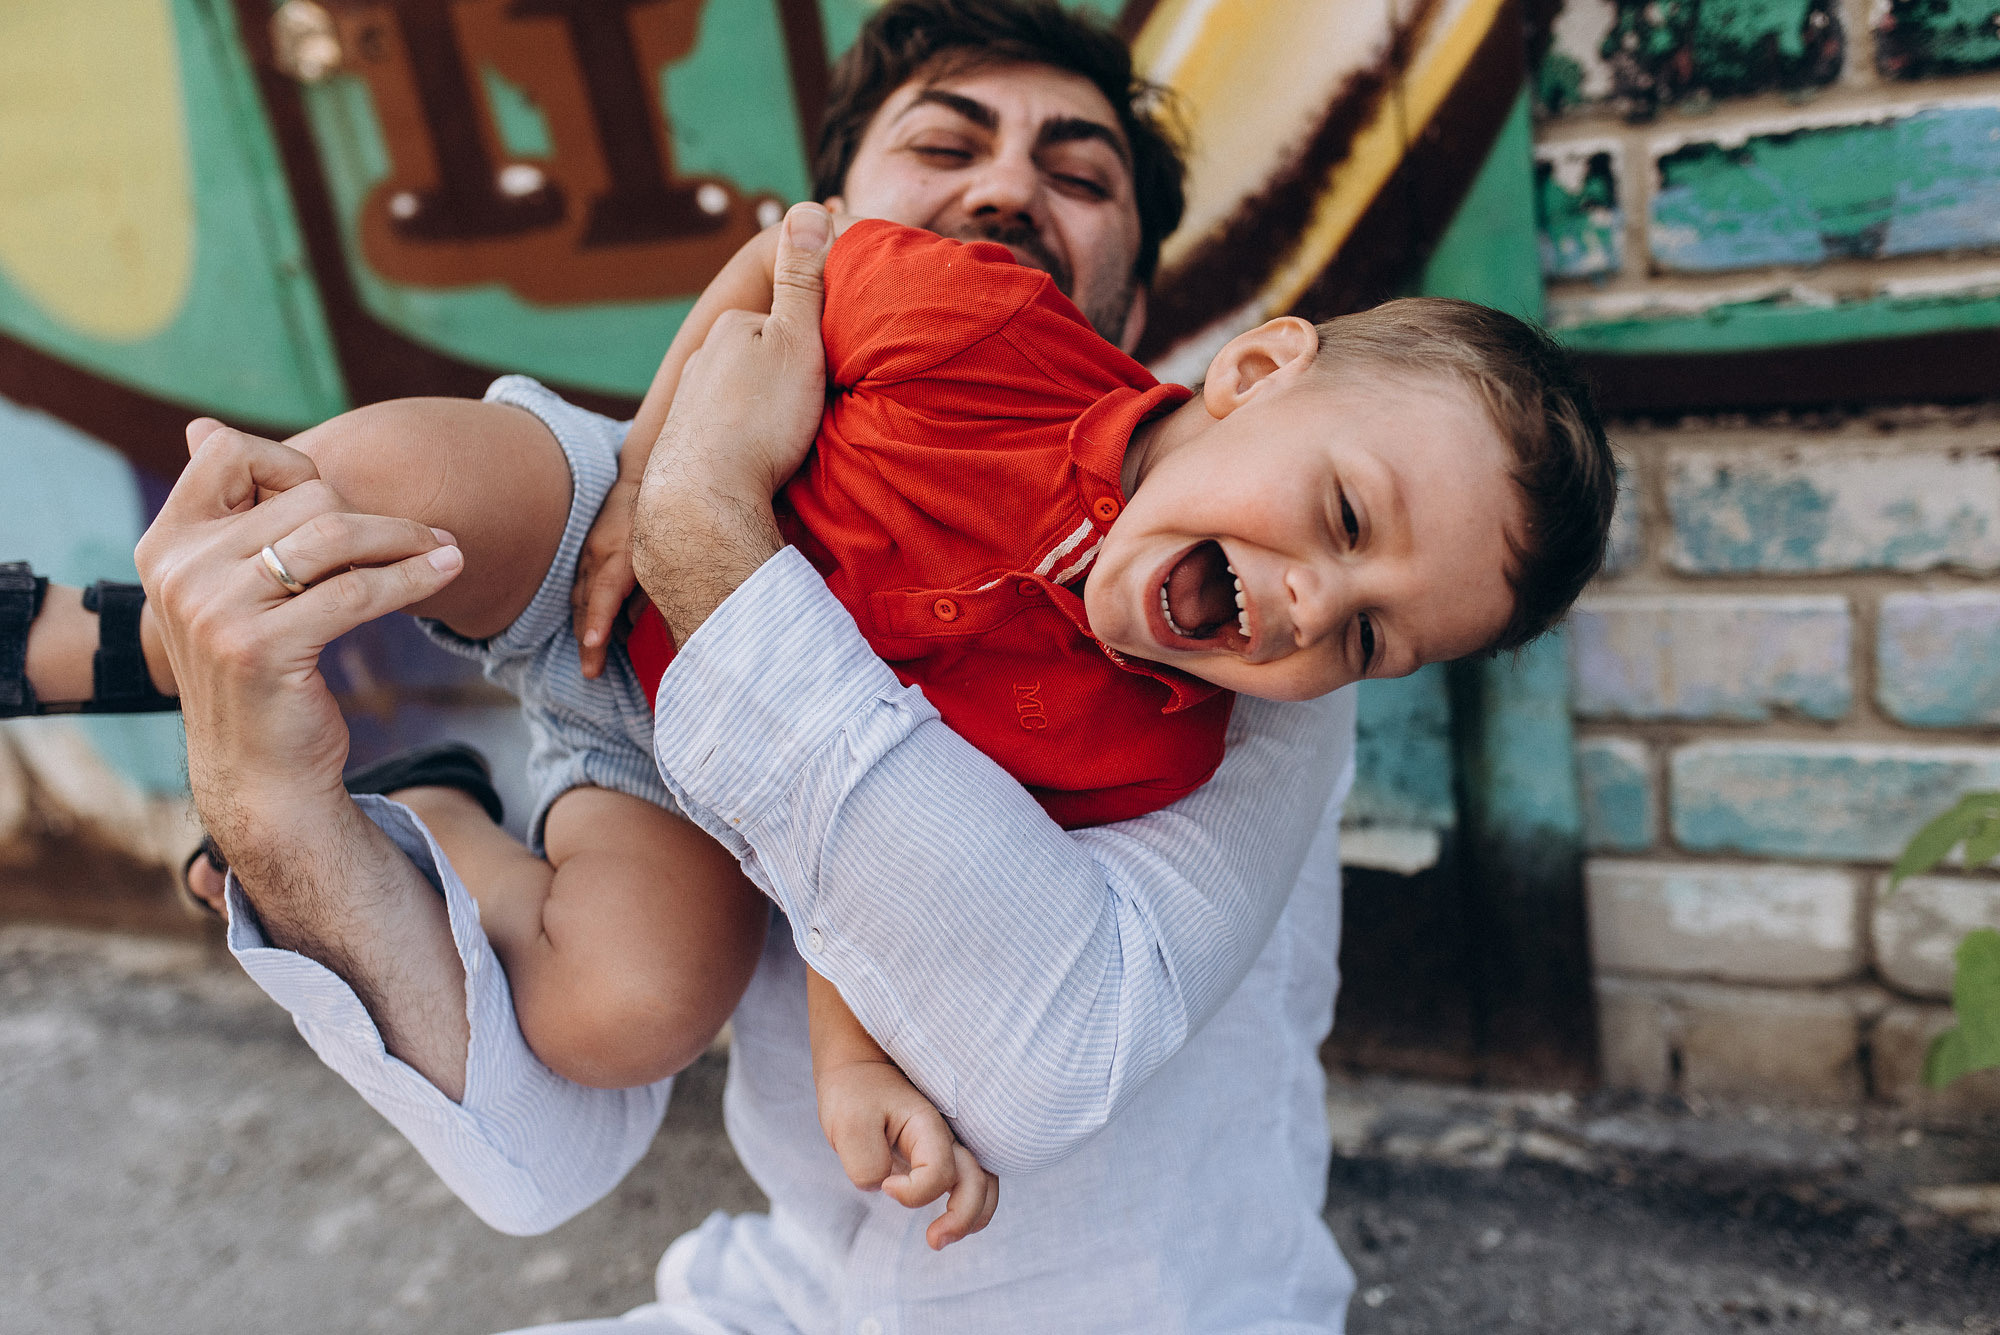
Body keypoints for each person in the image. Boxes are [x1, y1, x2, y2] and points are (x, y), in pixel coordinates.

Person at [4, 2, 1599, 1327]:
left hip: (1137, 1279)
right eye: (947, 146)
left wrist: (705, 521)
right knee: (424, 484)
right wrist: (663, 458)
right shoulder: (913, 333)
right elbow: (769, 303)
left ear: (1156, 292)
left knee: (625, 1004)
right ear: (845, 218)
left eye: (1079, 169)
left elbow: (910, 881)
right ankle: (112, 627)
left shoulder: (1224, 676)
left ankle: (435, 814)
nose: (1007, 189)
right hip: (626, 617)